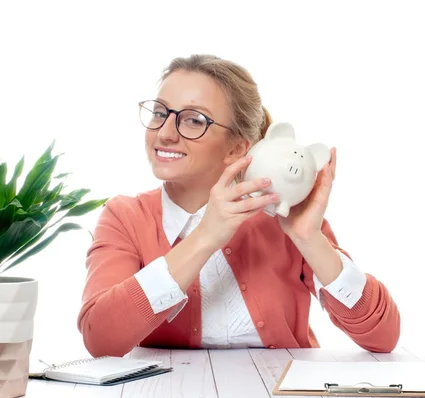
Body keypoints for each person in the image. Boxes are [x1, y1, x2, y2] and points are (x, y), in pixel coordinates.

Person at [77, 54, 400, 357]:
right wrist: (205, 237)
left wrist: (309, 239)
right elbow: (101, 339)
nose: (165, 133)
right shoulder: (125, 216)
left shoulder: (284, 216)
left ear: (237, 149)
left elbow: (383, 337)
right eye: (160, 113)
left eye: (193, 120)